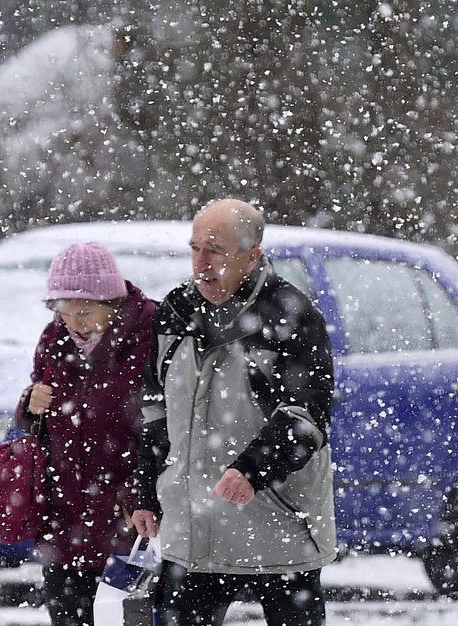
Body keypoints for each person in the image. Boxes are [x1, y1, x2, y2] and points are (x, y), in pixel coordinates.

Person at [132, 199, 336, 626]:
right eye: (194, 249)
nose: (201, 263)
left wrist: (253, 470)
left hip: (277, 523)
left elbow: (306, 417)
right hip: (192, 529)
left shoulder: (291, 316)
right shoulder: (175, 313)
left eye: (215, 250)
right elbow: (154, 410)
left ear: (252, 256)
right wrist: (145, 493)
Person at [16, 241, 157, 626]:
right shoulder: (54, 338)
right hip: (65, 512)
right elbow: (41, 421)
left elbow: (166, 425)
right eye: (65, 311)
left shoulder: (150, 336)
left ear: (112, 302)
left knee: (125, 615)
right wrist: (31, 405)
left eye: (85, 311)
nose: (75, 322)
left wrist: (142, 491)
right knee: (67, 615)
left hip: (127, 513)